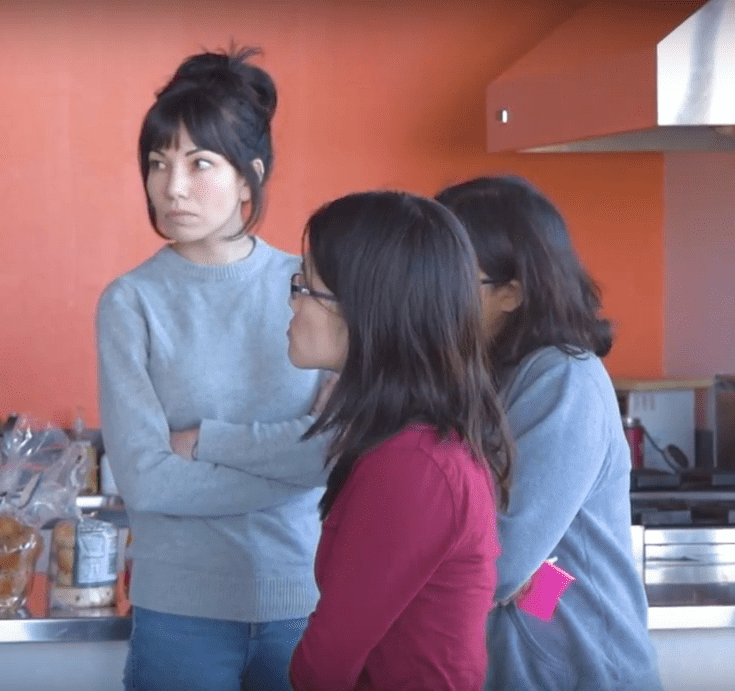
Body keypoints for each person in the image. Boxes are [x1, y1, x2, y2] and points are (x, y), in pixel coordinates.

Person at [95, 47, 329, 691]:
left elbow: (333, 451)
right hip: (179, 616)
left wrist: (207, 444)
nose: (172, 187)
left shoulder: (312, 286)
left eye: (200, 164)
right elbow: (147, 483)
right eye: (158, 164)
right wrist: (296, 476)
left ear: (249, 177)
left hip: (303, 603)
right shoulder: (130, 301)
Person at [436, 175, 662, 691]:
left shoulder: (564, 378)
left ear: (512, 292)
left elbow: (503, 557)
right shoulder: (478, 375)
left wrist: (527, 577)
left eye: (448, 276)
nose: (427, 291)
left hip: (581, 670)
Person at [285, 191, 513, 691]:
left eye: (307, 287)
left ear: (366, 311)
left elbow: (326, 662)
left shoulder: (414, 465)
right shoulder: (407, 446)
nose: (292, 302)